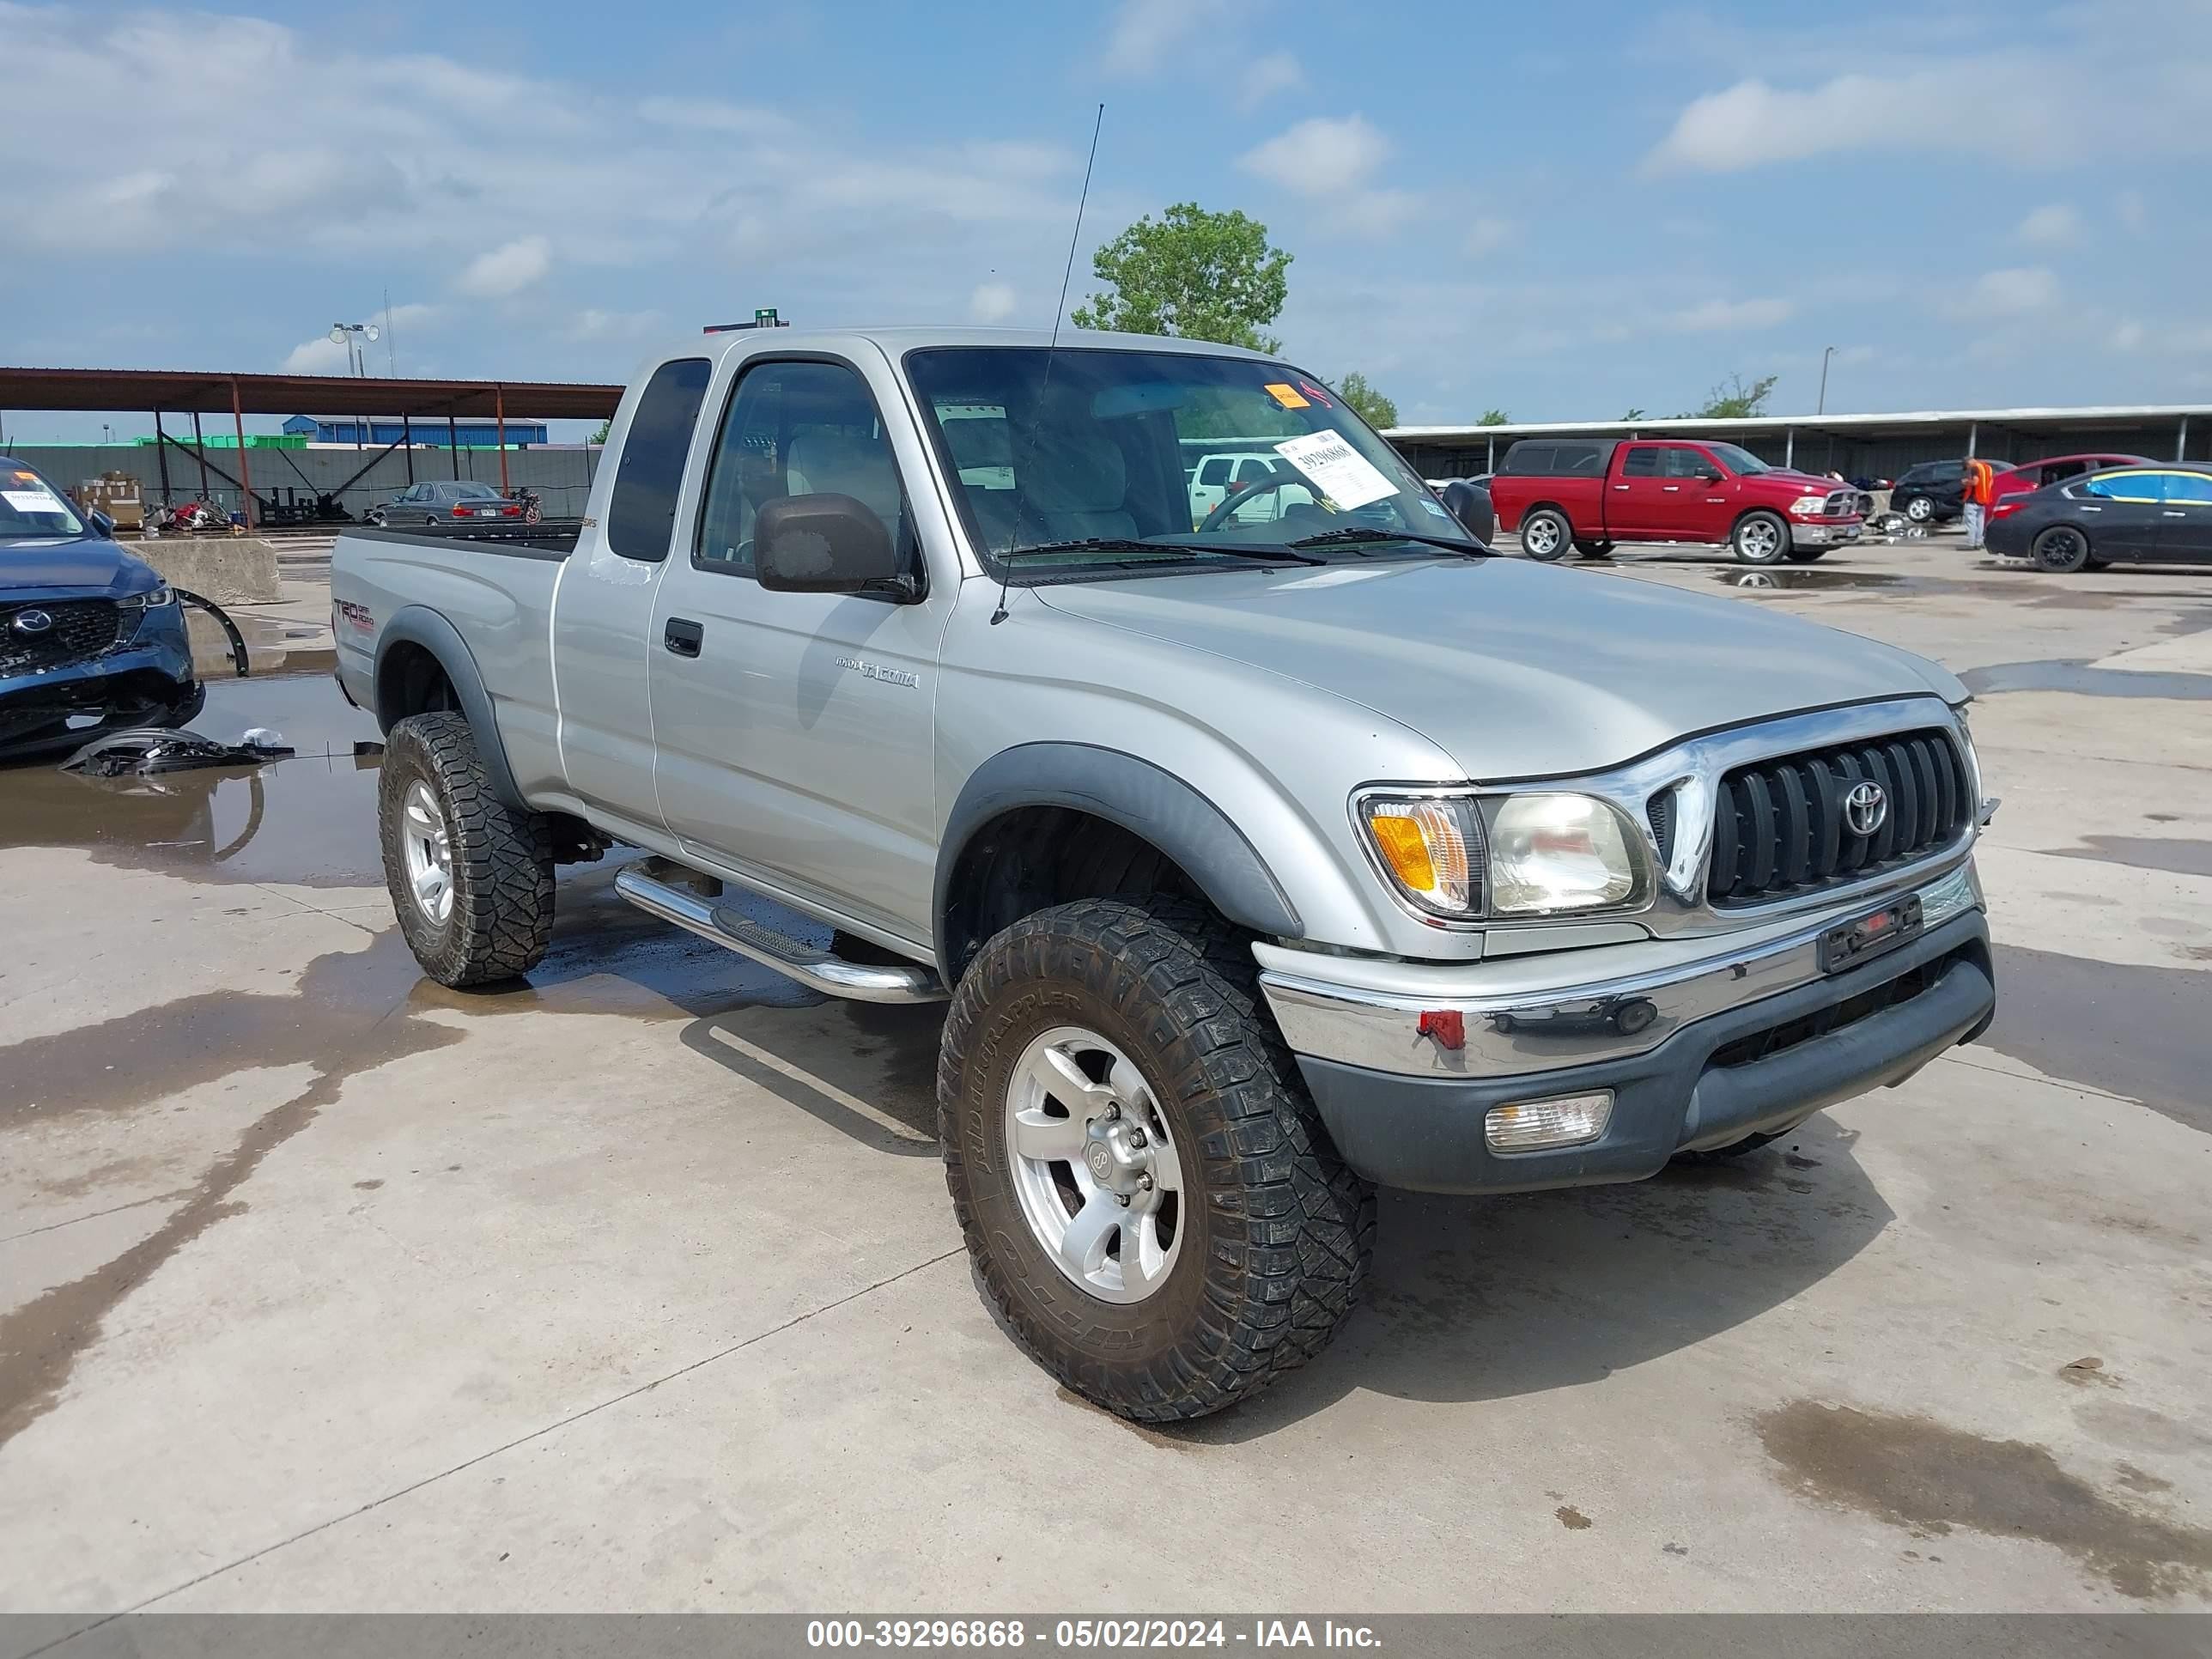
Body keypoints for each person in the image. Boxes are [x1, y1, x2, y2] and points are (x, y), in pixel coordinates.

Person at [1962, 456, 1995, 549]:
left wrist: (1966, 482)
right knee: (1980, 523)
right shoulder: (1988, 468)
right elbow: (1991, 482)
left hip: (1973, 499)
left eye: (1967, 467)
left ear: (1968, 463)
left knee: (1971, 523)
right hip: (1983, 499)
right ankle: (1979, 542)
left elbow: (1975, 482)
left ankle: (1971, 544)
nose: (1968, 469)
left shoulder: (1975, 468)